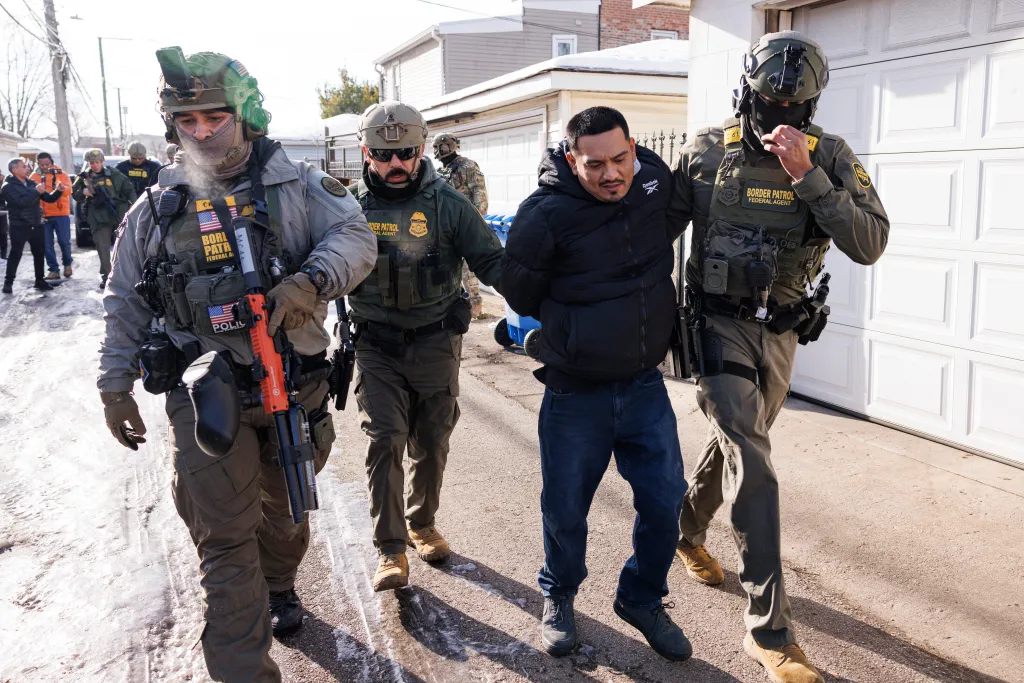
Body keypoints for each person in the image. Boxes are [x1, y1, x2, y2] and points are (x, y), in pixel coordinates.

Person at [97, 48, 376, 682]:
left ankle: (280, 582)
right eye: (186, 121)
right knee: (225, 541)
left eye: (213, 117)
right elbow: (122, 299)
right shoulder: (155, 208)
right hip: (204, 401)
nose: (200, 132)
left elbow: (357, 238)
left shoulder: (298, 185)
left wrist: (310, 282)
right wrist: (114, 382)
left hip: (295, 391)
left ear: (244, 114)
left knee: (284, 521)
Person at [669, 31, 889, 683]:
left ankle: (684, 529)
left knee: (743, 441)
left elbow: (871, 241)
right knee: (754, 459)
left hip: (781, 329)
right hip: (714, 324)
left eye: (796, 109)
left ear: (813, 104)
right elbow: (650, 234)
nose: (781, 120)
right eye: (771, 104)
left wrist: (811, 179)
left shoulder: (832, 157)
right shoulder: (707, 150)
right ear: (748, 91)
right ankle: (770, 634)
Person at [501, 107, 691, 662]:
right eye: (595, 164)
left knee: (663, 503)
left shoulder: (652, 180)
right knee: (565, 509)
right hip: (574, 394)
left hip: (644, 388)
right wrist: (577, 330)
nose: (612, 174)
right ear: (570, 158)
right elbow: (520, 294)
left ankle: (642, 598)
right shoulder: (544, 215)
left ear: (633, 147)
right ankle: (558, 596)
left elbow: (673, 220)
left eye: (620, 158)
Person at [351, 101, 504, 592]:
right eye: (383, 154)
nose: (395, 164)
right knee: (385, 439)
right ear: (365, 152)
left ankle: (422, 523)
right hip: (375, 344)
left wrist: (548, 300)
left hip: (436, 340)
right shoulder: (349, 206)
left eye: (406, 153)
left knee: (432, 440)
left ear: (421, 149)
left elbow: (494, 262)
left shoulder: (448, 204)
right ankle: (391, 550)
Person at [433, 133, 488, 318]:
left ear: (450, 146)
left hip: (465, 223)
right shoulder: (439, 171)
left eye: (440, 147)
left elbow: (479, 194)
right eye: (435, 148)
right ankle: (452, 305)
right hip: (445, 226)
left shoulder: (468, 166)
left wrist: (476, 222)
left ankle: (475, 308)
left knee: (468, 269)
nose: (437, 151)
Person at [72, 148, 136, 289]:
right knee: (103, 248)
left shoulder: (114, 174)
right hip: (98, 217)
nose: (94, 165)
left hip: (118, 213)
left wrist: (133, 208)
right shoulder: (84, 177)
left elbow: (129, 190)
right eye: (91, 163)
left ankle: (126, 275)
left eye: (96, 162)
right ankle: (107, 277)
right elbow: (74, 194)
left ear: (102, 161)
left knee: (124, 246)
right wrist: (83, 192)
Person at [0, 158, 65, 293]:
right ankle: (8, 282)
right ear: (14, 170)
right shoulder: (7, 186)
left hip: (36, 224)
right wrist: (36, 192)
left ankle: (39, 281)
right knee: (15, 254)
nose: (27, 169)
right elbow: (21, 203)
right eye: (24, 167)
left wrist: (58, 191)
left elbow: (48, 198)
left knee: (39, 253)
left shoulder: (31, 183)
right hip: (19, 225)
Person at [31, 152, 74, 280]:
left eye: (47, 164)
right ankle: (53, 270)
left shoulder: (62, 173)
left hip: (61, 214)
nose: (45, 167)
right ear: (38, 163)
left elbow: (69, 190)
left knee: (64, 242)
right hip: (43, 215)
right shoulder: (34, 176)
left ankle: (67, 264)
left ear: (52, 162)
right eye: (42, 164)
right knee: (46, 244)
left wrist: (61, 188)